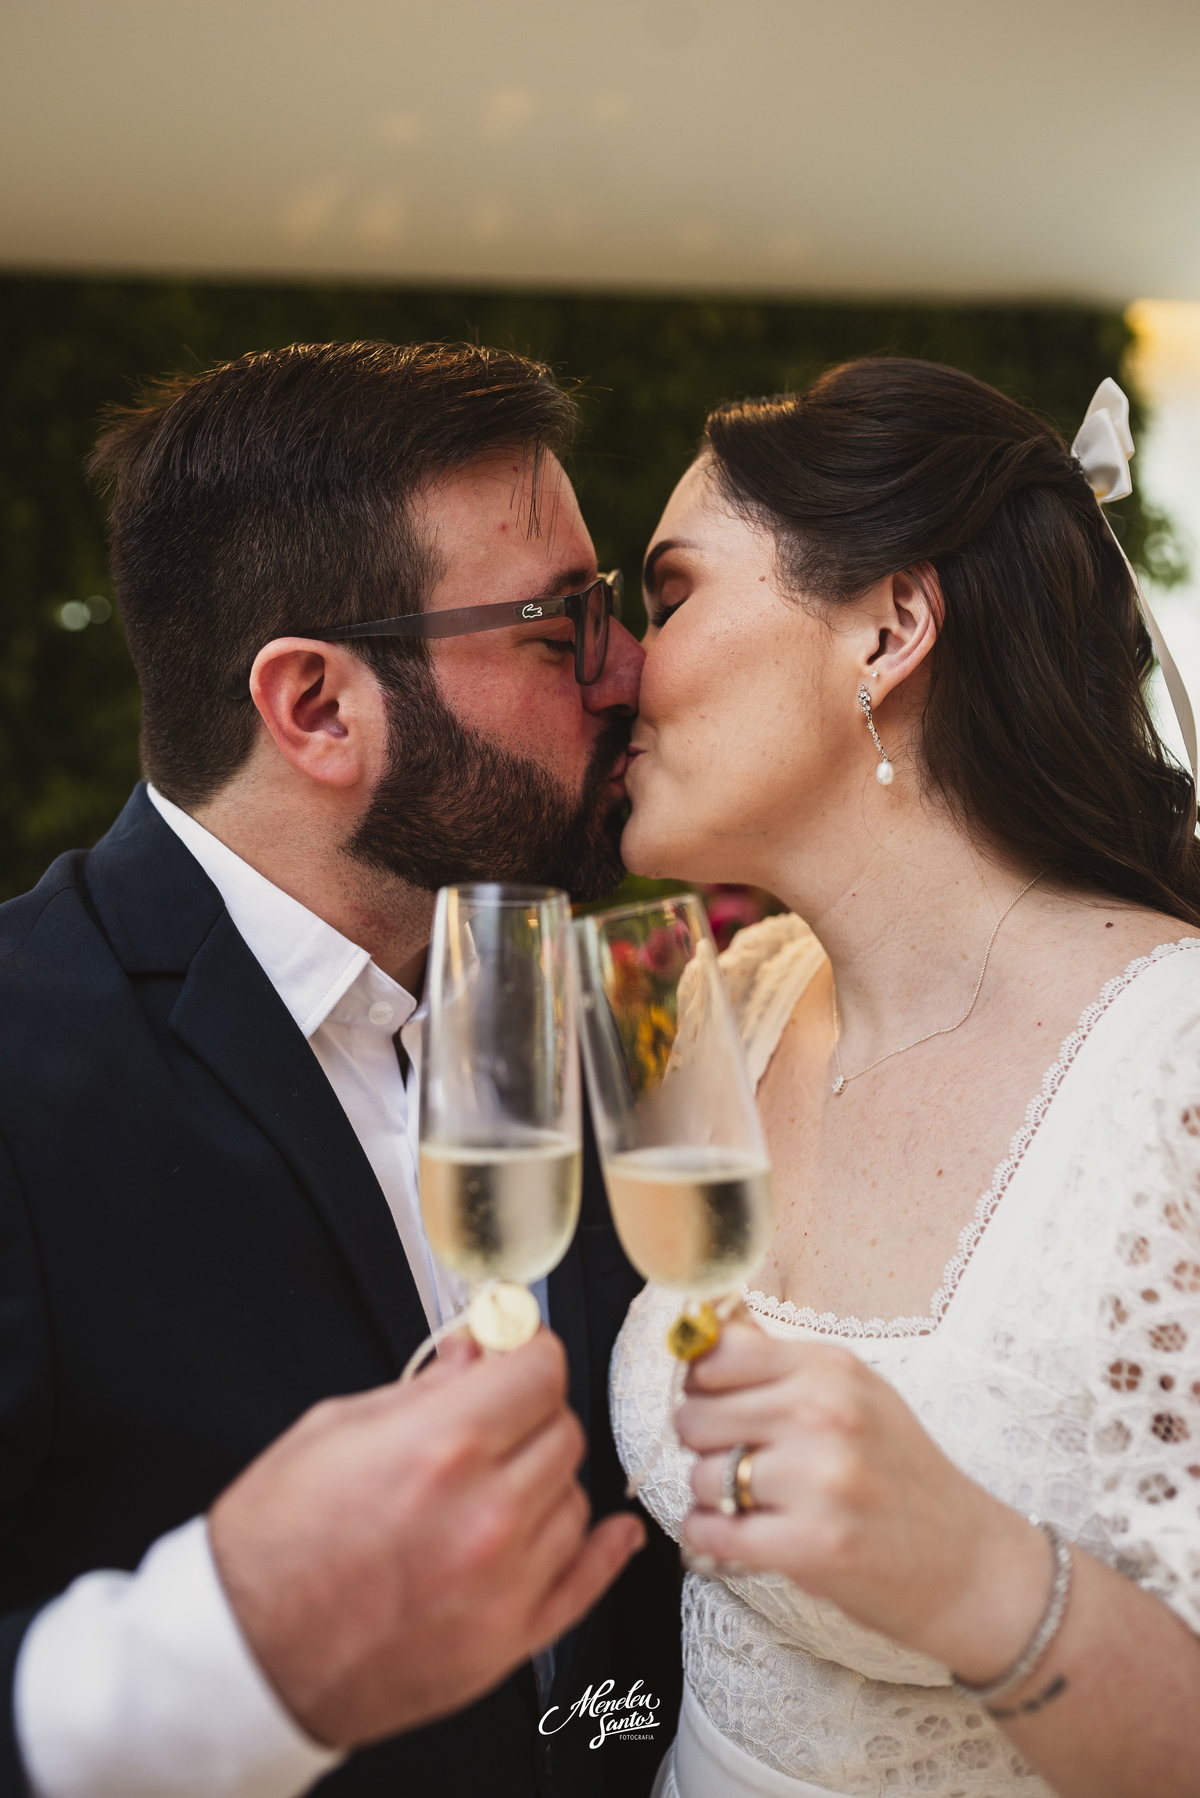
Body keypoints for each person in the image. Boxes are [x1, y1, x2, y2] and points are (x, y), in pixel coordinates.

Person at [0, 340, 657, 1798]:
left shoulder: (579, 1006)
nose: (629, 669)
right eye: (562, 625)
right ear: (314, 707)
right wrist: (233, 1658)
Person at [611, 357, 1200, 1797]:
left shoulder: (1177, 1078)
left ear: (890, 627)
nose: (619, 664)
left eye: (670, 594)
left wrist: (981, 1579)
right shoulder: (718, 1005)